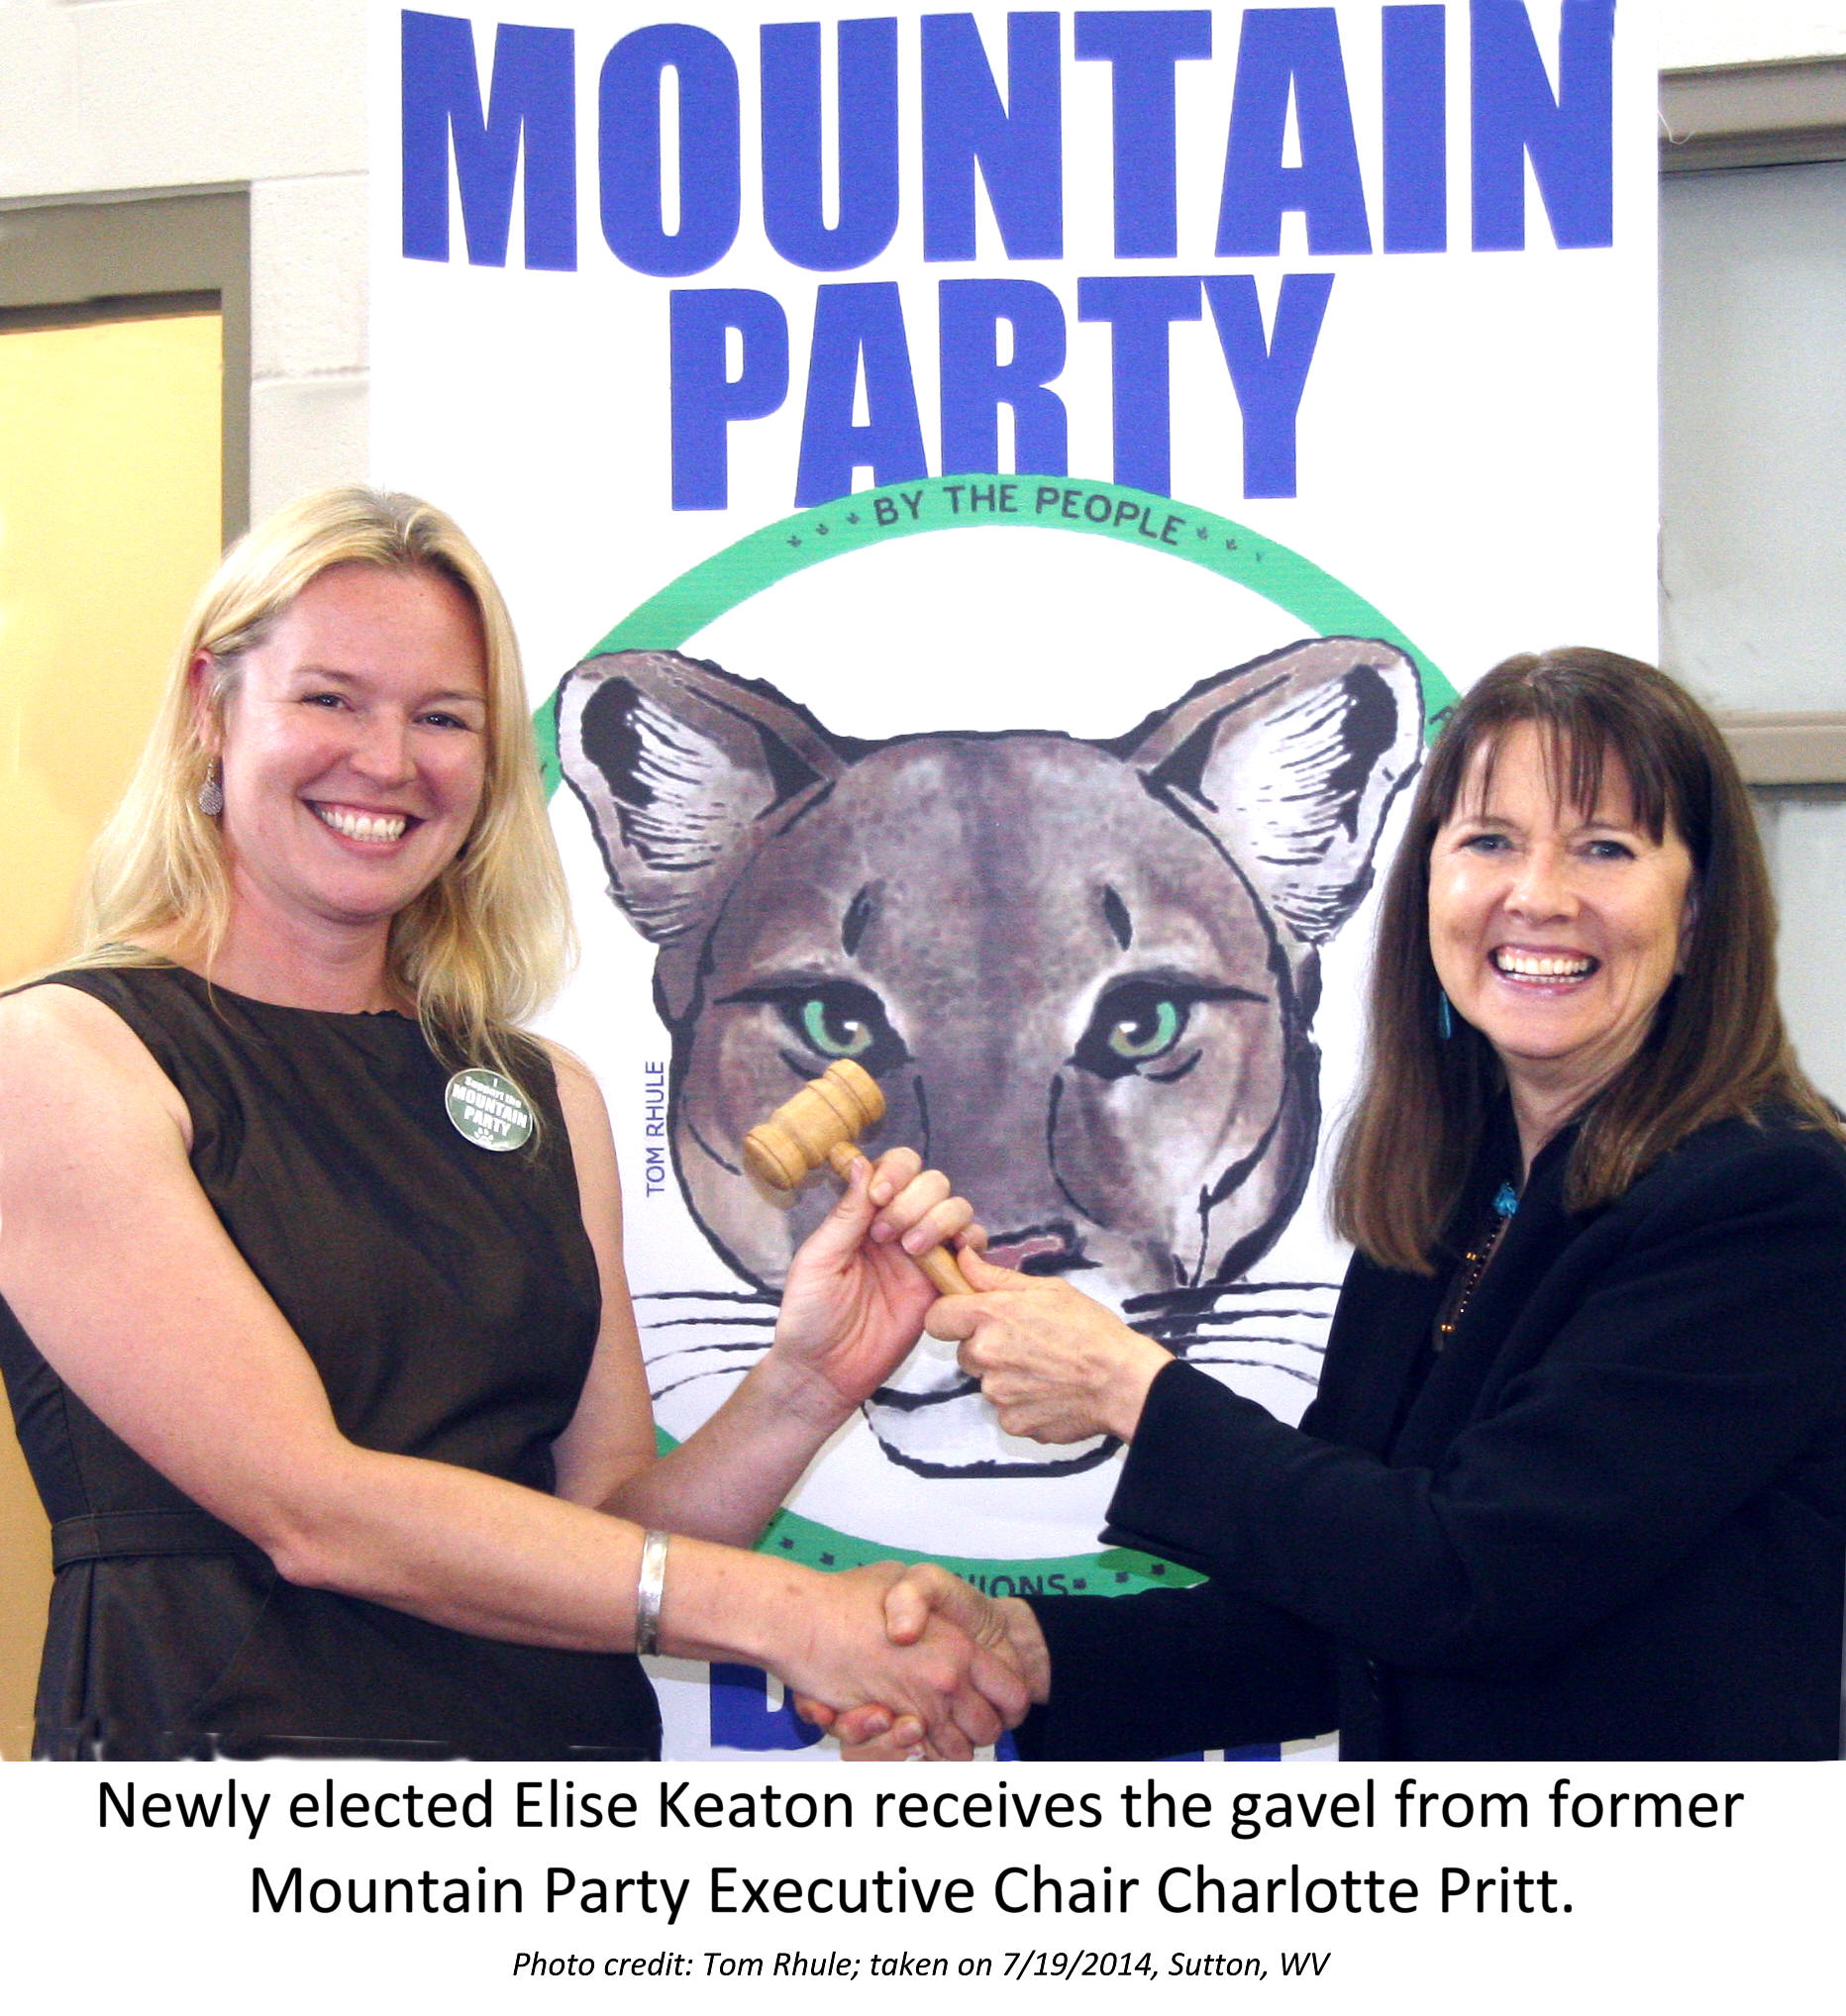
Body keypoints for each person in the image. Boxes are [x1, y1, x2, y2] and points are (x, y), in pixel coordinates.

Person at [0, 486, 1024, 1761]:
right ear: (213, 706)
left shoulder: (545, 1094)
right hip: (226, 1818)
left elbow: (608, 1537)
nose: (388, 762)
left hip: (552, 1823)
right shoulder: (60, 1058)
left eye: (443, 717)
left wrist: (804, 1384)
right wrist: (791, 1613)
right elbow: (311, 1507)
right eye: (330, 699)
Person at [818, 648, 1846, 1761]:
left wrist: (1129, 1388)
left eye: (1604, 847)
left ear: (1696, 915)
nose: (1538, 895)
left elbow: (1470, 1582)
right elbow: (1347, 1613)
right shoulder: (1449, 1194)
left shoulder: (1769, 1202)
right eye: (1489, 841)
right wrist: (1025, 1654)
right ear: (1427, 888)